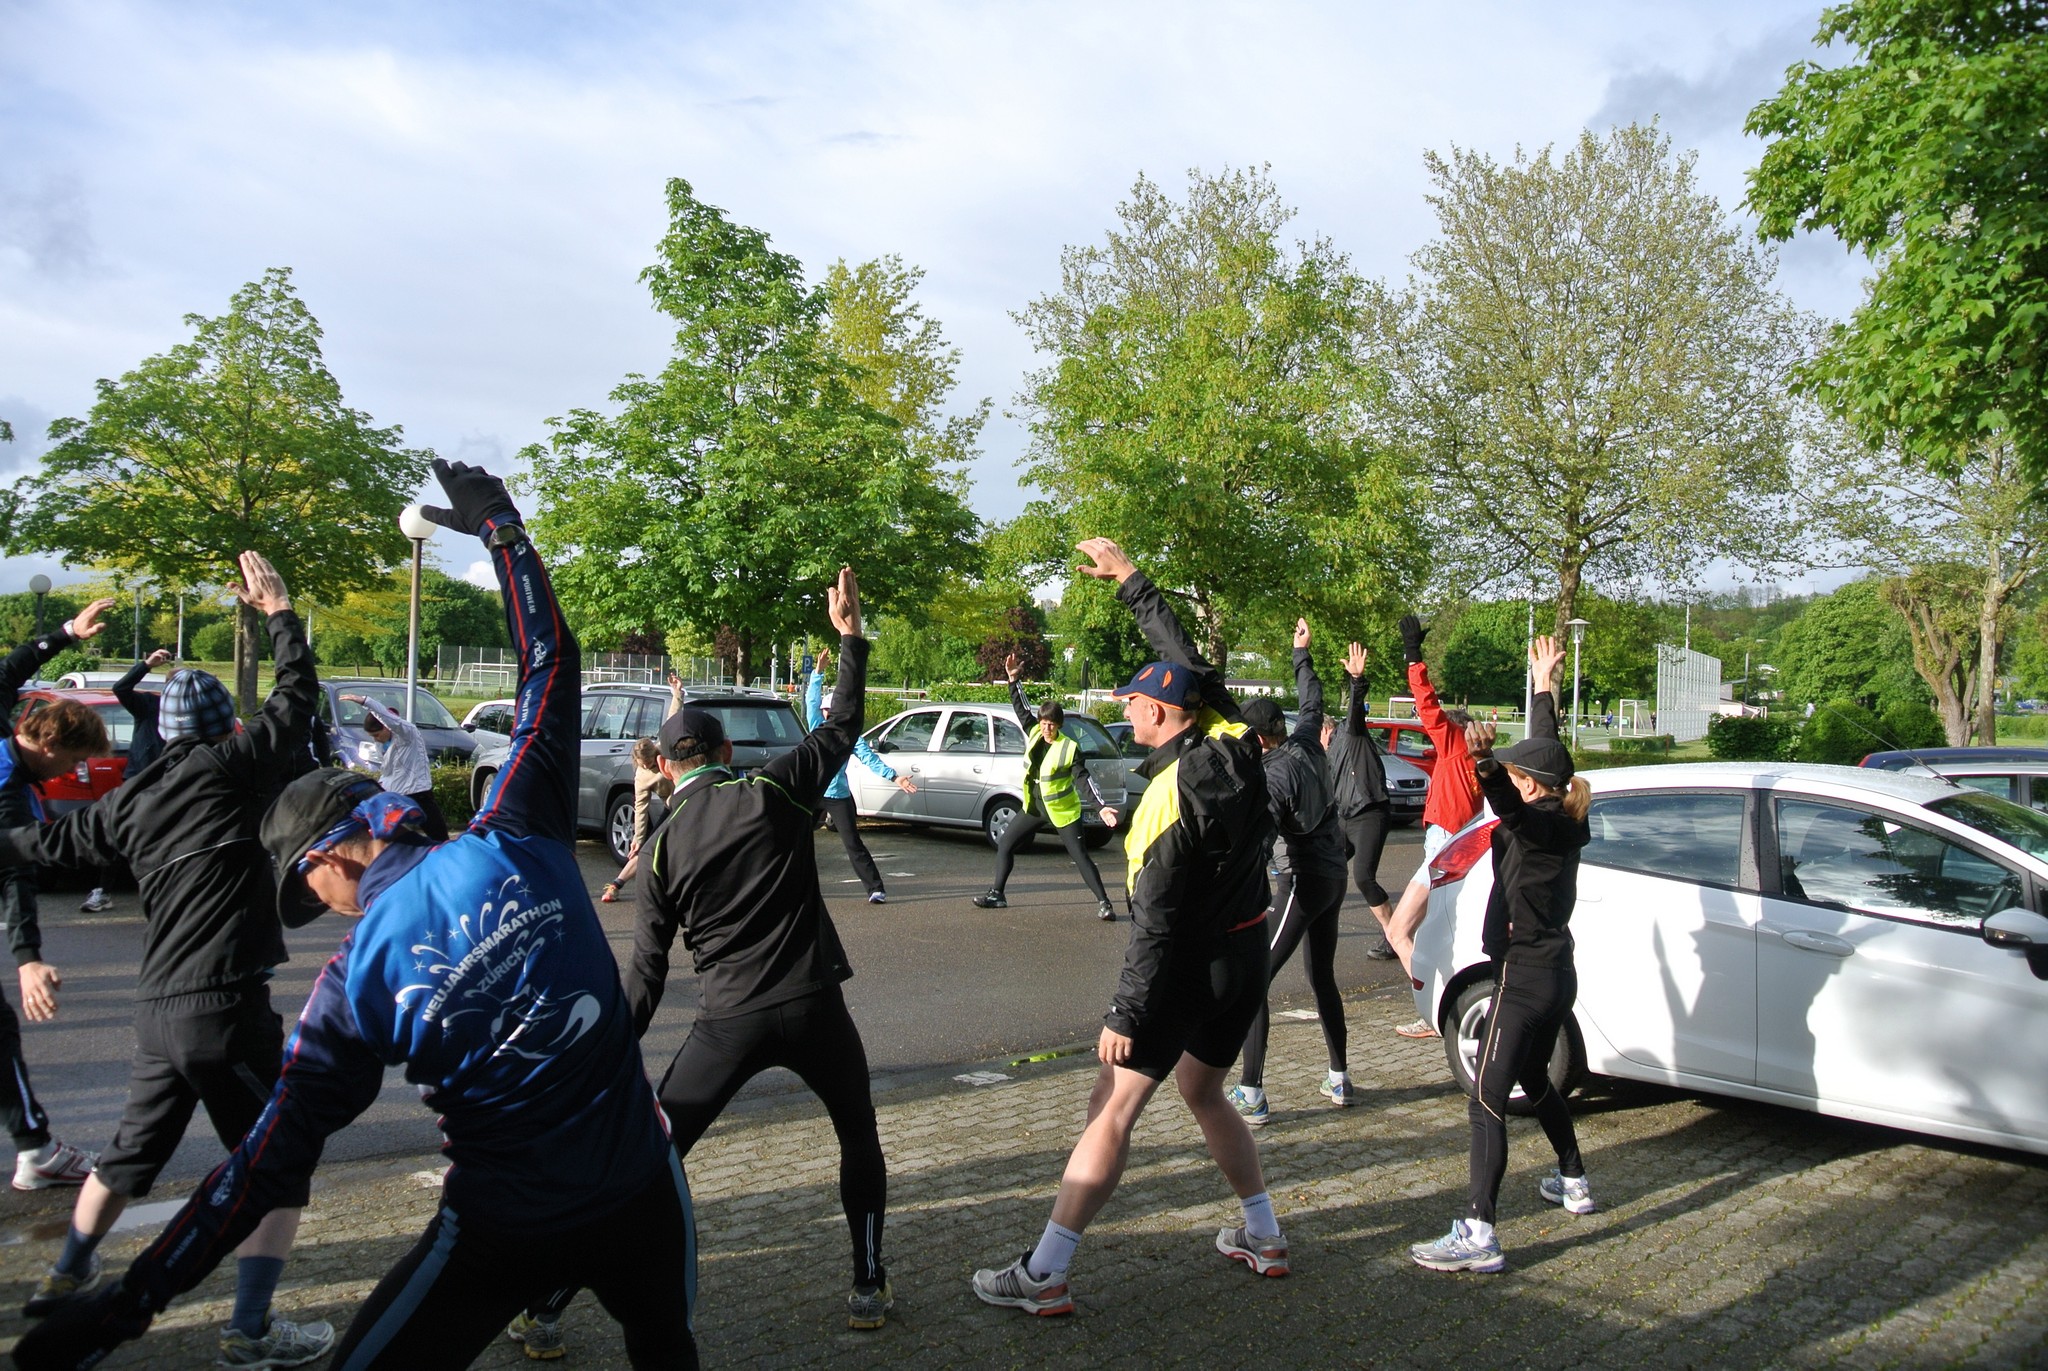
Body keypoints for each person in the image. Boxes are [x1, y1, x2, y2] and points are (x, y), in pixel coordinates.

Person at [12, 459, 699, 1371]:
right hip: (644, 1188)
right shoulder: (515, 830)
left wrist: (128, 1306)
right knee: (667, 1348)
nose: (319, 908)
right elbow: (550, 662)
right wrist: (502, 528)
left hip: (501, 1225)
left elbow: (257, 1167)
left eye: (308, 890)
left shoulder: (353, 981)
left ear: (329, 856)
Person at [0, 556, 330, 1366]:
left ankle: (66, 1273)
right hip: (226, 1008)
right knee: (278, 1166)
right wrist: (280, 613)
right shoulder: (236, 764)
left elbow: (40, 845)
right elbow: (296, 697)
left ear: (168, 729)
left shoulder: (126, 803)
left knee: (129, 1153)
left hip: (158, 1012)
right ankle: (250, 1330)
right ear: (222, 729)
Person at [972, 538, 1283, 1316]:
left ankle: (1045, 1271)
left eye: (1132, 701)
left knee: (1110, 1105)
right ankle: (1264, 1232)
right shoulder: (1237, 742)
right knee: (1203, 1088)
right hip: (1247, 955)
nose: (1123, 707)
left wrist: (1124, 1012)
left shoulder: (1163, 803)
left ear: (1158, 714)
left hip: (1186, 967)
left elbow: (1156, 924)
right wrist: (1132, 582)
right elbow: (1190, 664)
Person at [624, 566, 893, 1332]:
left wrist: (607, 1054)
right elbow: (841, 726)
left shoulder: (659, 849)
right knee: (857, 1133)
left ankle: (548, 1303)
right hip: (813, 1005)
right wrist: (849, 638)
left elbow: (646, 975)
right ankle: (868, 1284)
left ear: (664, 766)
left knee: (653, 1154)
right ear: (727, 748)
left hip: (728, 1021)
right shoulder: (771, 791)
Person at [1411, 636, 1593, 1274]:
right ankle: (1573, 1180)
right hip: (1557, 976)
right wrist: (1543, 686)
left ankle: (1479, 1234)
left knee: (1487, 1101)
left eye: (1517, 772)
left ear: (1530, 784)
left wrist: (1486, 764)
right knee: (1535, 1078)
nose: (1510, 774)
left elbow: (1511, 806)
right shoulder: (1561, 812)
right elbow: (1547, 754)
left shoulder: (1538, 824)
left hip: (1523, 978)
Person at [0, 597, 118, 1197]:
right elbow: (14, 880)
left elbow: (9, 670)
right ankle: (37, 1151)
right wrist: (27, 959)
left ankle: (35, 1148)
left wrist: (66, 633)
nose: (68, 773)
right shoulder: (10, 799)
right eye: (72, 761)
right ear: (46, 746)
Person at [1229, 618, 1355, 1124]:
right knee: (1321, 976)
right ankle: (1340, 1078)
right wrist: (1301, 653)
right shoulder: (1305, 741)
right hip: (1334, 878)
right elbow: (1312, 703)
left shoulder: (1273, 775)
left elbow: (1261, 839)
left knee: (1254, 978)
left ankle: (1252, 1092)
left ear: (1258, 738)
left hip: (1301, 880)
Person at [970, 652, 1118, 922]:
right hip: (1035, 807)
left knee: (1080, 857)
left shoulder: (1069, 748)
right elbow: (1021, 708)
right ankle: (997, 894)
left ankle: (1104, 903)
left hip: (1062, 811)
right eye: (1043, 722)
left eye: (1051, 724)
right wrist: (1013, 680)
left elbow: (1083, 779)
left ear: (1058, 725)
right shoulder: (1035, 732)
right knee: (1005, 844)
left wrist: (1101, 807)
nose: (1046, 727)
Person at [1382, 613, 1483, 972]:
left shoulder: (1454, 744)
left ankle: (1429, 998)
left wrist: (1413, 655)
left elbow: (1427, 704)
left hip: (1444, 845)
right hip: (1463, 846)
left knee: (1398, 932)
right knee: (1440, 932)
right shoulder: (1482, 762)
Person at [808, 646, 915, 905]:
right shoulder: (816, 727)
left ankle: (875, 888)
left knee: (853, 843)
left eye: (831, 711)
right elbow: (811, 701)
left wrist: (894, 777)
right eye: (825, 710)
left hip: (837, 795)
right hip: (812, 792)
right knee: (794, 839)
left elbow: (869, 759)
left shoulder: (850, 737)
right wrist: (818, 673)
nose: (827, 714)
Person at [1324, 640, 1398, 964]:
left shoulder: (1349, 734)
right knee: (1324, 865)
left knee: (1364, 877)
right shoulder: (1327, 756)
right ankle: (1315, 923)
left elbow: (1355, 712)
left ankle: (1394, 936)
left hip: (1369, 812)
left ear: (1326, 730)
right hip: (1345, 817)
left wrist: (1357, 680)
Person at [601, 673, 684, 904]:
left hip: (691, 798)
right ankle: (616, 885)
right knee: (648, 846)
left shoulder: (663, 748)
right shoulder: (641, 775)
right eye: (643, 764)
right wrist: (637, 839)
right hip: (672, 807)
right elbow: (640, 807)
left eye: (649, 762)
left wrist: (677, 693)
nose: (648, 766)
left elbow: (673, 718)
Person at [342, 693, 448, 841]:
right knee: (388, 838)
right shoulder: (382, 744)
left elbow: (387, 717)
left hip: (417, 793)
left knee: (439, 837)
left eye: (377, 735)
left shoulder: (408, 734)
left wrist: (366, 701)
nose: (376, 739)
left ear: (387, 727)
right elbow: (389, 772)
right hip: (394, 795)